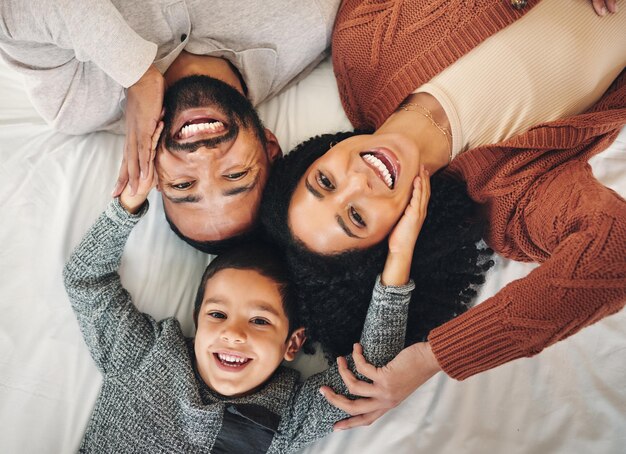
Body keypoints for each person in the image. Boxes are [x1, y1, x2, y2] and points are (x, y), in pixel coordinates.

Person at [260, 0, 626, 428]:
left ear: (320, 154)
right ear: (394, 237)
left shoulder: (363, 45)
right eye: (357, 217)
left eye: (325, 181)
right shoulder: (510, 202)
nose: (358, 180)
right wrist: (434, 357)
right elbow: (615, 250)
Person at [62, 123, 428, 452]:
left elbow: (369, 378)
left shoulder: (286, 414)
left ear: (294, 344)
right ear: (197, 319)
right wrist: (128, 205)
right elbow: (85, 280)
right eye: (217, 314)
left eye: (260, 321)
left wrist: (398, 253)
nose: (233, 334)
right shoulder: (144, 357)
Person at [0, 0, 340, 251]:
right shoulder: (309, 19)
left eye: (182, 185)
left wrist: (136, 72)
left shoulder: (78, 102)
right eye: (235, 175)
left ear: (156, 175)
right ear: (269, 146)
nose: (205, 157)